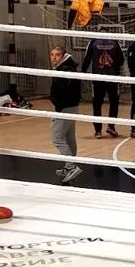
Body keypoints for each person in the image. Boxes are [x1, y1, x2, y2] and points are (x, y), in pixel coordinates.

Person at [49, 46, 82, 184]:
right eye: (52, 54)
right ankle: (69, 167)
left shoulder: (65, 69)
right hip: (71, 106)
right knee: (69, 137)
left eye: (57, 55)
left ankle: (71, 167)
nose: (54, 57)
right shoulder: (66, 67)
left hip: (65, 107)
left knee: (57, 138)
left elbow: (62, 89)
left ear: (63, 56)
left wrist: (57, 102)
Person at [81, 35, 125, 139]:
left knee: (97, 104)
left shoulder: (93, 41)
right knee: (113, 102)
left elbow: (87, 58)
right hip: (111, 77)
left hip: (98, 77)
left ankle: (98, 131)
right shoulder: (114, 42)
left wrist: (83, 71)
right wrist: (115, 69)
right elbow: (121, 59)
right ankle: (111, 126)